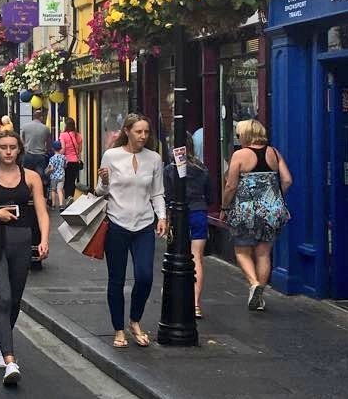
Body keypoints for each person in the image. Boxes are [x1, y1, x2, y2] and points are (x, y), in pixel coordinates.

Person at [0, 131, 50, 386]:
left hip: (22, 242)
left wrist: (44, 239)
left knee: (14, 300)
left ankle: (1, 343)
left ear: (19, 150)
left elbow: (42, 211)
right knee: (3, 297)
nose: (8, 151)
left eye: (12, 147)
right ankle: (10, 360)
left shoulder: (32, 177)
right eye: (3, 147)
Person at [96, 113, 167, 350]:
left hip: (144, 224)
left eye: (146, 132)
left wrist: (162, 216)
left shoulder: (154, 158)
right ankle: (118, 329)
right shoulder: (111, 156)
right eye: (138, 131)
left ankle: (134, 320)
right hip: (117, 223)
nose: (143, 136)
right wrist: (104, 181)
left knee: (145, 276)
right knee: (116, 279)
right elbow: (100, 192)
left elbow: (157, 192)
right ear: (127, 131)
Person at [222, 119, 292, 312]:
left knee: (242, 251)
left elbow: (231, 185)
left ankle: (254, 284)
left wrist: (224, 207)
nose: (238, 138)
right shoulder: (274, 153)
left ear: (246, 134)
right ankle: (259, 298)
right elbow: (287, 180)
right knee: (263, 253)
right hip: (271, 211)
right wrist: (275, 198)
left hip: (246, 211)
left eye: (239, 135)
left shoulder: (240, 155)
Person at [163, 134, 211, 318]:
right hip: (198, 212)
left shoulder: (169, 170)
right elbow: (209, 194)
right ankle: (196, 303)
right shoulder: (201, 168)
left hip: (178, 216)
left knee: (176, 255)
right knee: (197, 256)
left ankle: (176, 298)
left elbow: (168, 196)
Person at [20, 110, 52, 190]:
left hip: (28, 154)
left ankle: (27, 191)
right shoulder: (46, 129)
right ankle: (38, 192)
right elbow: (48, 143)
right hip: (40, 155)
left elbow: (21, 140)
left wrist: (25, 147)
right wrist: (47, 151)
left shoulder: (25, 127)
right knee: (40, 176)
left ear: (33, 117)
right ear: (41, 117)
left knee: (26, 175)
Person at [59, 117, 83, 207]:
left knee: (66, 180)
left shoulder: (63, 135)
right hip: (75, 161)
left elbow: (63, 149)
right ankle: (71, 196)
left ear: (66, 125)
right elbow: (80, 150)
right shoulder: (78, 136)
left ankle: (67, 197)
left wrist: (58, 154)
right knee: (72, 180)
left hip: (67, 162)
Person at [46, 141, 67, 209]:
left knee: (53, 190)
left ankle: (53, 205)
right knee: (59, 190)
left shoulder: (52, 158)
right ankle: (61, 205)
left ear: (53, 149)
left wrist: (48, 171)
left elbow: (51, 168)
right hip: (61, 176)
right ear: (60, 148)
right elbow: (65, 166)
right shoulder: (63, 157)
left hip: (53, 177)